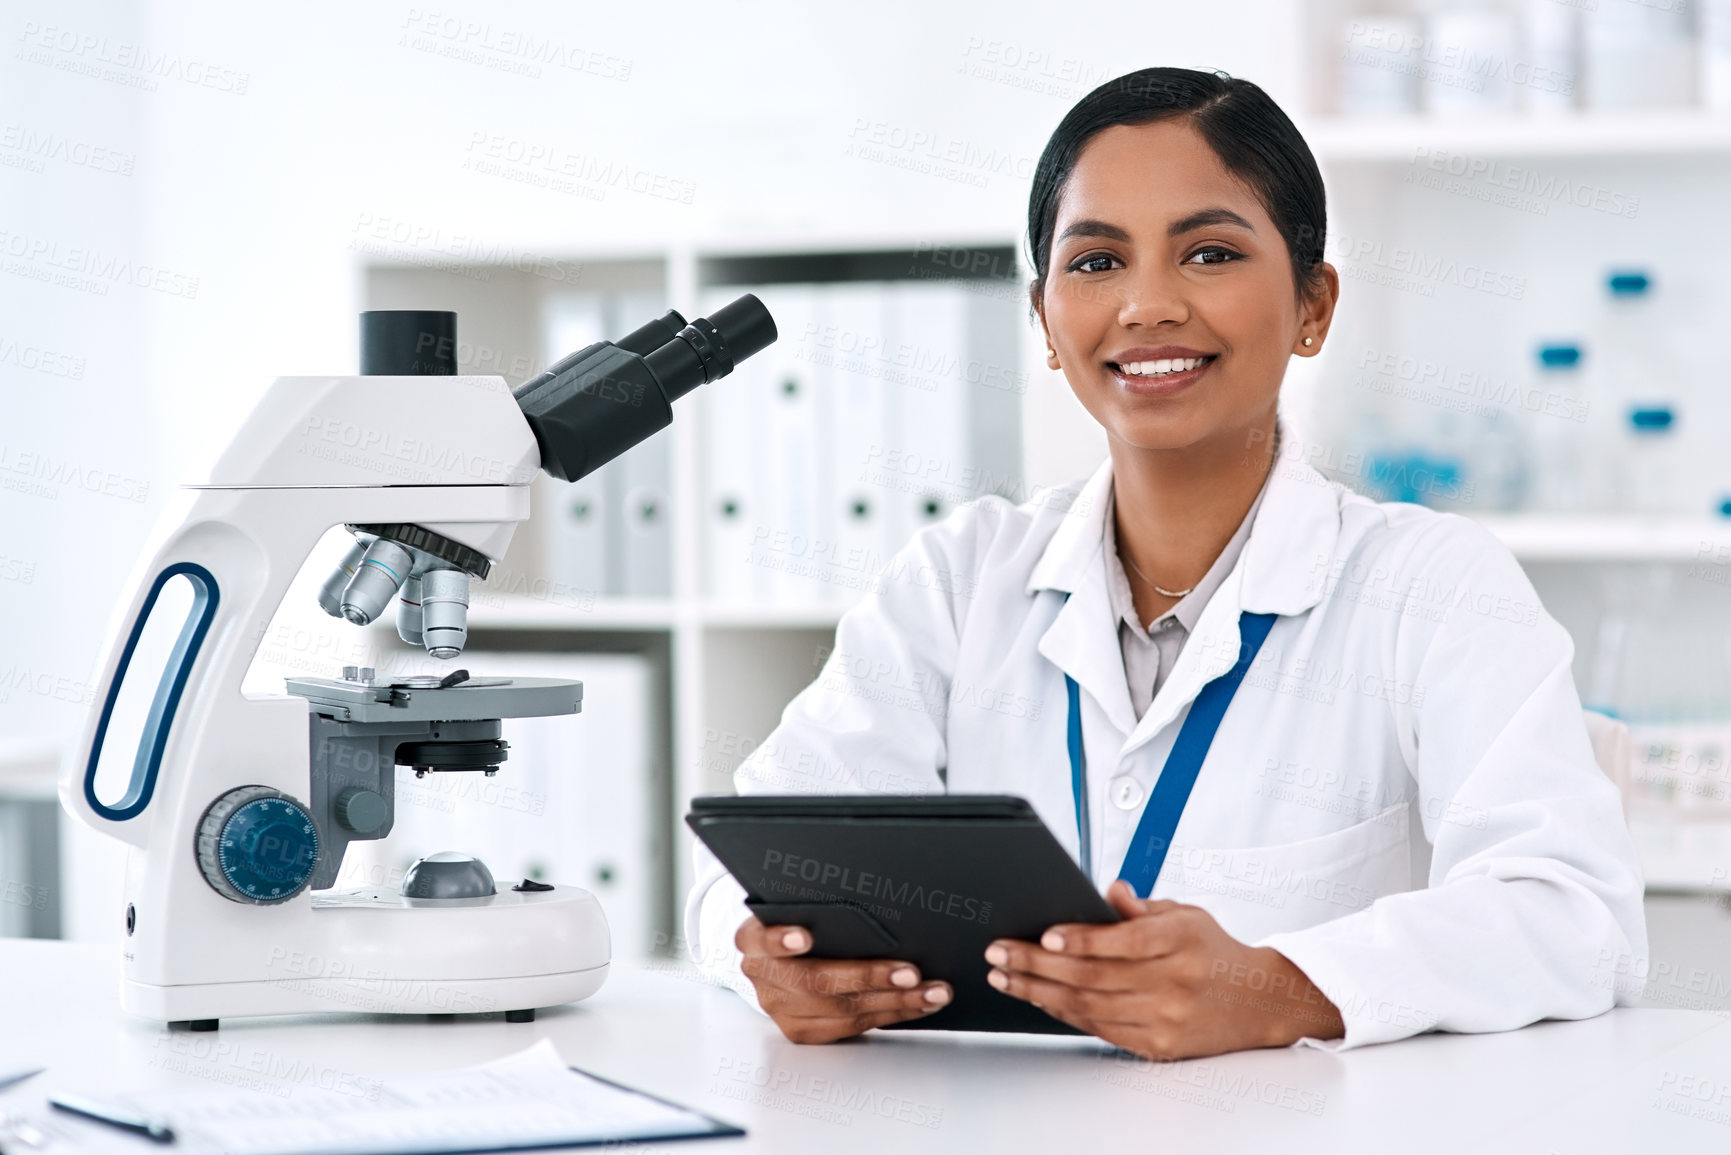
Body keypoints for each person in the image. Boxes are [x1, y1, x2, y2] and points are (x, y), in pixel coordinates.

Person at [683, 67, 1647, 1058]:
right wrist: (769, 958)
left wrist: (1280, 989)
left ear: (1314, 304)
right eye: (1097, 263)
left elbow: (1574, 917)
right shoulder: (957, 579)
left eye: (1211, 252)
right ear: (1046, 321)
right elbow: (742, 865)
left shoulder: (1433, 587)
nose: (1146, 305)